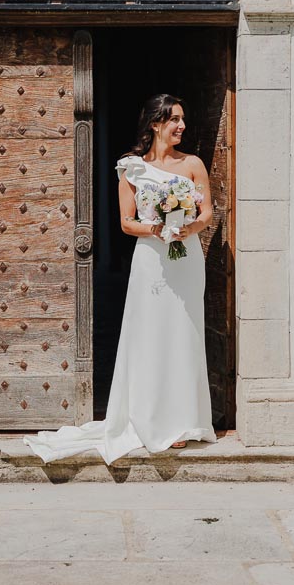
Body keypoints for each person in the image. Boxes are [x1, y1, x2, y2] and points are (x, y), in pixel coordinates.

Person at [24, 94, 217, 464]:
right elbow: (127, 222)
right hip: (151, 258)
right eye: (174, 119)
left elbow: (207, 212)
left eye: (182, 119)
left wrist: (185, 227)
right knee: (150, 334)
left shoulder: (193, 164)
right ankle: (148, 417)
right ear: (155, 124)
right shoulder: (131, 168)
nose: (182, 126)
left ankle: (183, 421)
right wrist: (159, 228)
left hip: (185, 257)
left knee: (184, 332)